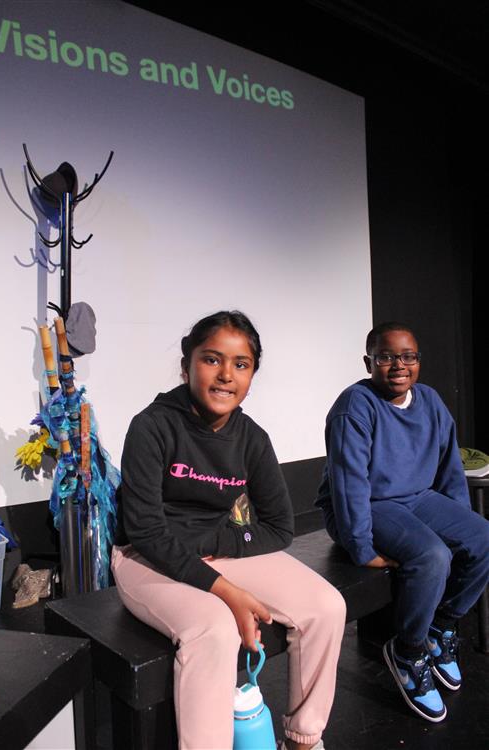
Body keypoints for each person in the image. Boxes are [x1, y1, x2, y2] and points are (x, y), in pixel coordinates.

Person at [112, 311, 346, 750]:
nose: (226, 375)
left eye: (241, 365)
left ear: (253, 375)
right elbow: (144, 531)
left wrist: (215, 546)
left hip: (213, 551)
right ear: (187, 366)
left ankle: (304, 739)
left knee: (327, 607)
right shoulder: (152, 426)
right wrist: (227, 591)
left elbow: (280, 528)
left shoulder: (251, 438)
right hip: (144, 557)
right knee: (215, 630)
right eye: (212, 360)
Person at [316, 321, 489, 723]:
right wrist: (360, 547)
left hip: (417, 498)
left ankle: (440, 627)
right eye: (387, 356)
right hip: (368, 503)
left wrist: (460, 522)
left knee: (482, 538)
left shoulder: (429, 400)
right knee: (431, 556)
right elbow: (348, 482)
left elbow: (449, 469)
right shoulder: (354, 405)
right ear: (369, 362)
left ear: (418, 362)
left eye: (408, 356)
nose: (399, 365)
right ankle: (408, 651)